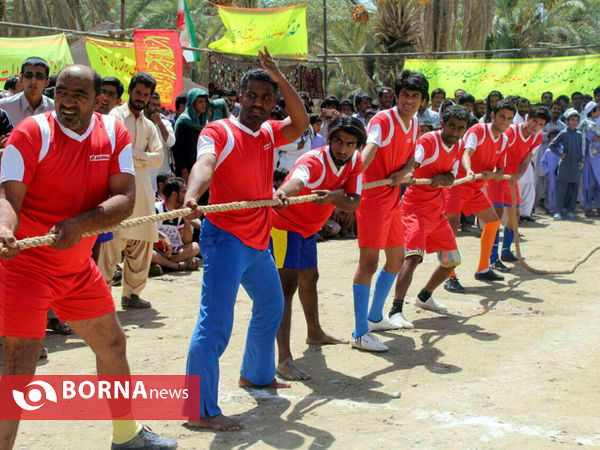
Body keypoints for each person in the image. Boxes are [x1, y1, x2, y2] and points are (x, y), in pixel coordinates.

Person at [0, 64, 177, 450]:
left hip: (76, 267)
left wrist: (79, 225)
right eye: (62, 91)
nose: (67, 100)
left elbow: (125, 199)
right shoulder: (31, 132)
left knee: (112, 345)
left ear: (97, 99)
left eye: (79, 94)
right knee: (19, 367)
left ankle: (127, 436)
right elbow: (7, 198)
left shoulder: (112, 131)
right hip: (25, 269)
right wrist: (4, 229)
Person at [182, 47, 309, 431]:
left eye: (266, 98)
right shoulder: (218, 130)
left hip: (258, 239)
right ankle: (197, 410)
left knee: (271, 305)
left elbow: (300, 122)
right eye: (251, 95)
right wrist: (193, 195)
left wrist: (279, 75)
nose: (258, 103)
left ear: (273, 104)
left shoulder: (271, 132)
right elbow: (204, 164)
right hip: (225, 239)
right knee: (215, 324)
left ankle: (255, 374)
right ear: (238, 97)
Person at [271, 115, 364, 380]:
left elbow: (353, 203)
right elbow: (297, 181)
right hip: (284, 226)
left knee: (310, 279)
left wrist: (336, 198)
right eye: (338, 141)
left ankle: (314, 332)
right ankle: (284, 358)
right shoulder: (313, 160)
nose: (343, 149)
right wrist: (283, 194)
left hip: (309, 228)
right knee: (286, 287)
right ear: (330, 138)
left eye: (350, 143)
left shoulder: (355, 161)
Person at [351, 69, 427, 352]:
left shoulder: (415, 122)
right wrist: (353, 178)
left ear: (422, 100)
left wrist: (405, 171)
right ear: (396, 96)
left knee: (396, 258)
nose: (409, 100)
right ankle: (359, 333)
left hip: (392, 199)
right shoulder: (383, 120)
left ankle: (374, 317)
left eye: (415, 96)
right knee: (368, 264)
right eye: (405, 95)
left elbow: (412, 156)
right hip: (371, 200)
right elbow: (369, 150)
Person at [387, 106, 470, 326]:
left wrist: (443, 179)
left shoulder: (459, 145)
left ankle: (424, 296)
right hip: (414, 209)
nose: (454, 131)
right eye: (451, 125)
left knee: (452, 261)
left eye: (460, 128)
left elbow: (451, 174)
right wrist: (409, 174)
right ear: (443, 123)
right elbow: (414, 161)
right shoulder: (428, 141)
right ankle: (395, 309)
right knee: (413, 257)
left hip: (437, 210)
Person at [98, 72, 164, 310]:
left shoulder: (149, 125)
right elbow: (114, 148)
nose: (141, 98)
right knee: (110, 246)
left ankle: (132, 294)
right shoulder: (115, 116)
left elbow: (159, 158)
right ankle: (100, 296)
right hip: (117, 190)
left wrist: (135, 155)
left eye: (146, 95)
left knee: (142, 244)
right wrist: (143, 156)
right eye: (138, 93)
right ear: (130, 92)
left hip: (144, 193)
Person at [443, 99, 515, 293]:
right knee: (452, 230)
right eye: (502, 117)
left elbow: (500, 169)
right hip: (458, 185)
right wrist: (468, 171)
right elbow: (467, 152)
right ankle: (449, 276)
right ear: (493, 115)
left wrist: (495, 174)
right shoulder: (478, 130)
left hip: (475, 188)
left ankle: (483, 269)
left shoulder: (505, 139)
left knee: (492, 222)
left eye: (509, 118)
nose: (505, 122)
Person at [487, 104, 549, 271]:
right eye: (534, 121)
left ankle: (506, 251)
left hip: (511, 179)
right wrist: (499, 174)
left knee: (515, 215)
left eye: (541, 124)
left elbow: (526, 161)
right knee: (497, 215)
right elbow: (497, 152)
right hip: (498, 176)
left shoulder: (538, 138)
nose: (536, 126)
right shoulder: (511, 132)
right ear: (528, 118)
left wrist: (515, 178)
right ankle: (492, 258)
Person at [151, 177, 200, 274]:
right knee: (148, 252)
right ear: (174, 194)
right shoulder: (156, 208)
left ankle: (165, 265)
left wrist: (187, 221)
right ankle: (179, 265)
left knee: (195, 247)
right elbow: (147, 229)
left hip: (175, 253)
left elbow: (187, 241)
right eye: (184, 191)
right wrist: (164, 236)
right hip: (158, 250)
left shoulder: (181, 212)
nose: (186, 195)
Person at [549, 108, 584, 219]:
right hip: (565, 165)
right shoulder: (563, 133)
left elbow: (579, 148)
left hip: (575, 165)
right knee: (561, 189)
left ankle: (570, 210)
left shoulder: (579, 134)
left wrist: (581, 158)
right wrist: (560, 154)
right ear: (567, 121)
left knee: (573, 189)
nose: (574, 122)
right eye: (572, 120)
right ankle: (558, 211)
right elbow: (552, 145)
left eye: (576, 120)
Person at [0, 57, 54, 126]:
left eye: (39, 76)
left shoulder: (54, 109)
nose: (33, 81)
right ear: (21, 79)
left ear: (47, 82)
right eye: (28, 75)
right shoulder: (4, 107)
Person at [172, 89, 209, 181]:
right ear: (192, 102)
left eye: (205, 102)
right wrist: (184, 171)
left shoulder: (205, 123)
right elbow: (178, 149)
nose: (203, 104)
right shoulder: (184, 122)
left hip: (201, 169)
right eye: (200, 101)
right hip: (186, 171)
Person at [145, 92, 176, 192]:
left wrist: (159, 123)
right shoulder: (139, 123)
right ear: (146, 106)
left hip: (162, 176)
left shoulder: (165, 123)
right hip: (145, 176)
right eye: (153, 105)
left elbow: (171, 142)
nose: (157, 108)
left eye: (158, 105)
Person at [580, 101, 600, 217]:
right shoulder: (587, 124)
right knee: (588, 183)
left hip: (597, 157)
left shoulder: (595, 123)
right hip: (590, 157)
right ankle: (587, 207)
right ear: (591, 112)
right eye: (597, 110)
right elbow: (595, 138)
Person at [541, 129, 561, 214]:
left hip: (561, 174)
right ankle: (551, 208)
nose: (554, 139)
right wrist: (548, 172)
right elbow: (543, 162)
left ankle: (559, 208)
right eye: (552, 137)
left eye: (556, 137)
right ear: (549, 139)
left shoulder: (562, 150)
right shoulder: (548, 151)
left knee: (560, 191)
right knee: (551, 191)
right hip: (552, 175)